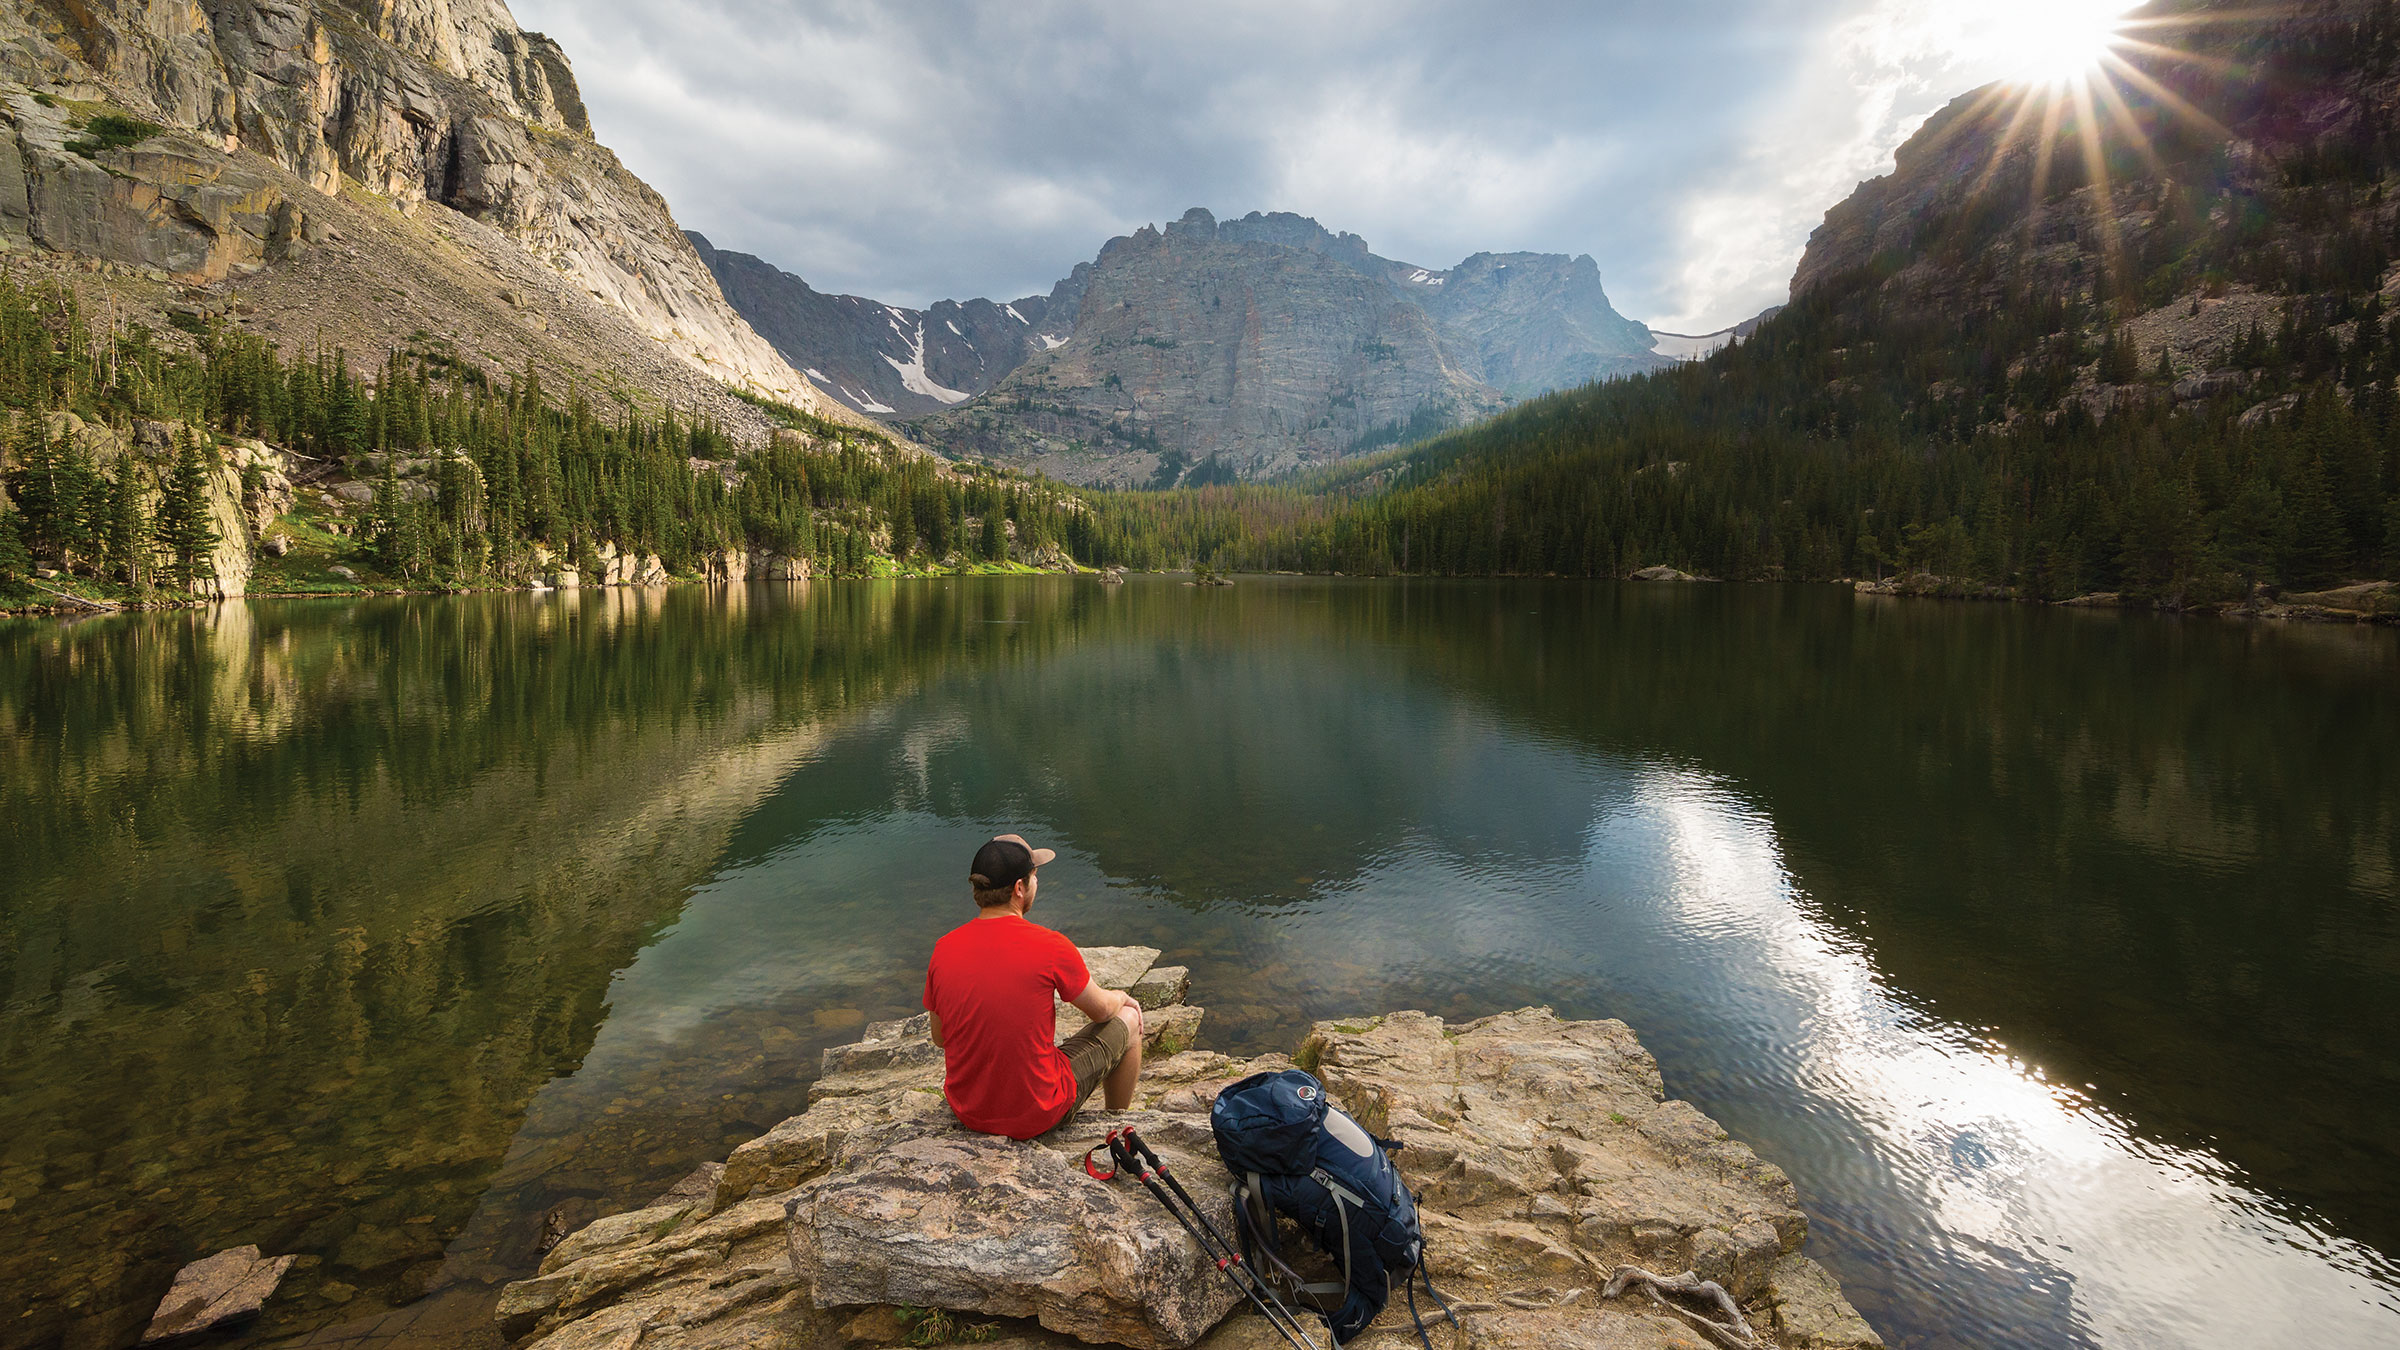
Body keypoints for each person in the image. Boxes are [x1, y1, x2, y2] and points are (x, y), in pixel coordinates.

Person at [921, 834, 1145, 1139]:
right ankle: (1118, 1130)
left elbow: (940, 1037)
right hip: (1037, 1113)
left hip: (969, 1112)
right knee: (1130, 1020)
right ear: (1019, 888)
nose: (1037, 883)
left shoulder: (943, 949)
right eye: (1034, 876)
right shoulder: (1050, 945)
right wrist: (1121, 997)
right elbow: (1102, 1011)